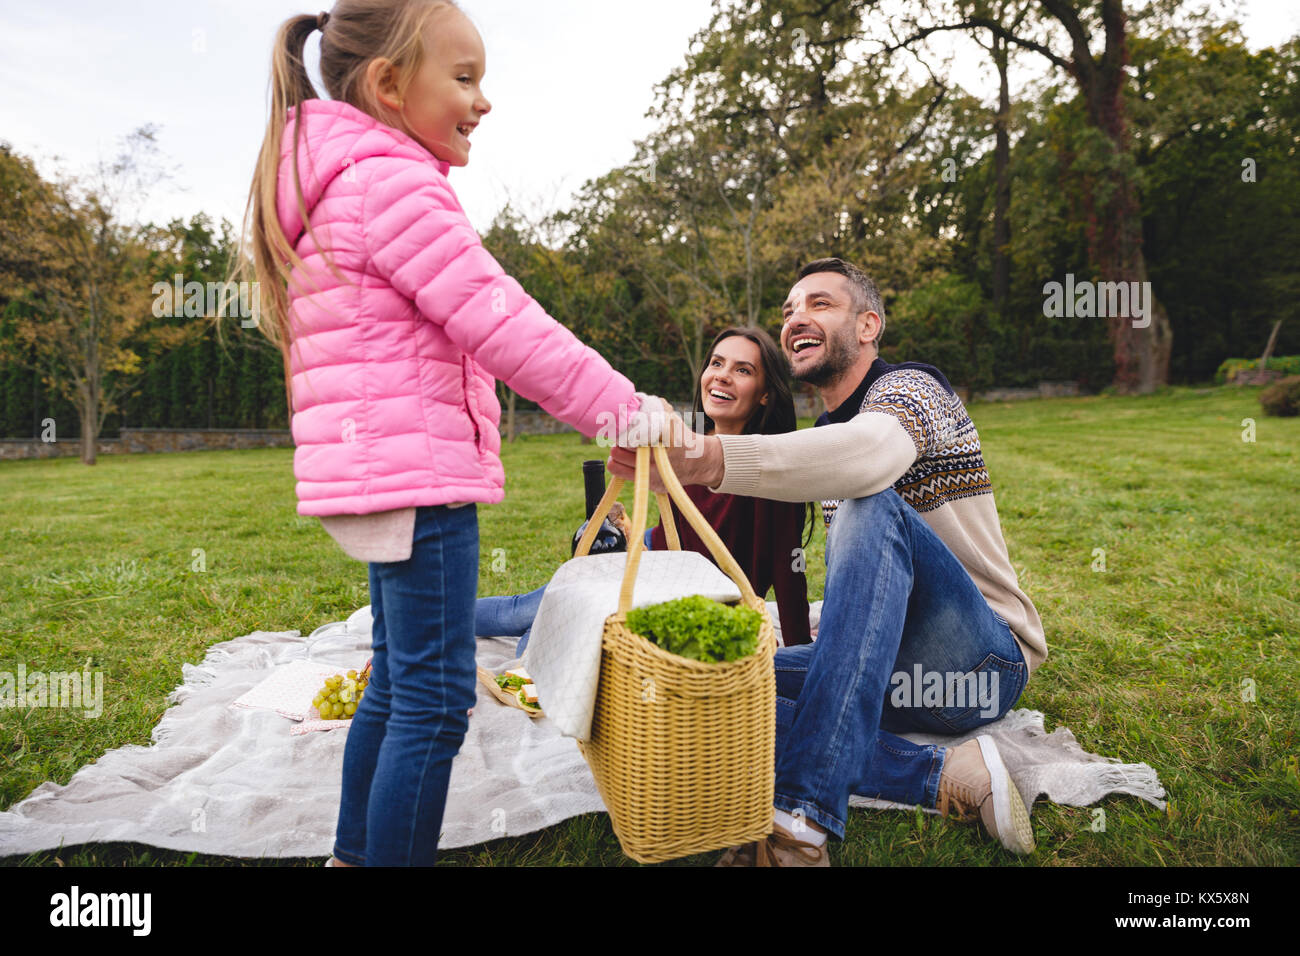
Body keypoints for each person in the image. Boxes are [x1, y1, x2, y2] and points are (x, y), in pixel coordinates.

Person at [240, 1, 665, 867]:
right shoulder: (390, 183)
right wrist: (628, 410)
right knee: (434, 699)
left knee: (399, 683)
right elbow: (504, 323)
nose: (484, 100)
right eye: (464, 77)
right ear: (391, 84)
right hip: (419, 480)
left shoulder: (339, 181)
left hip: (384, 474)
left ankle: (354, 855)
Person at [611, 258, 1048, 865]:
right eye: (789, 310)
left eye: (820, 304)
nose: (796, 320)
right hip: (891, 673)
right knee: (691, 691)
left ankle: (803, 823)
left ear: (869, 325)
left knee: (873, 502)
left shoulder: (914, 390)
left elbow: (869, 456)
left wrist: (709, 458)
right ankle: (944, 775)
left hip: (980, 661)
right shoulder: (826, 430)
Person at [476, 326, 814, 652]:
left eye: (743, 370)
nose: (722, 375)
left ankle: (530, 660)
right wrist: (630, 532)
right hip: (653, 566)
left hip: (692, 598)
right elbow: (674, 539)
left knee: (550, 623)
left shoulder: (766, 465)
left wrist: (800, 655)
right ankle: (426, 617)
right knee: (523, 610)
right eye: (716, 363)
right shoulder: (688, 446)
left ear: (765, 392)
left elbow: (788, 568)